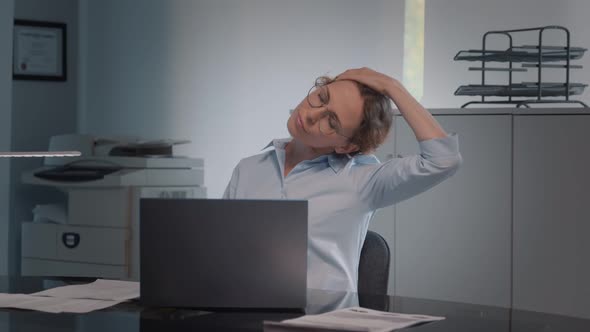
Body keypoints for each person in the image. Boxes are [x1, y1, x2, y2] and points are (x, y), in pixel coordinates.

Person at [223, 67, 462, 292]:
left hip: (321, 322)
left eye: (331, 121)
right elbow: (223, 251)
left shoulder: (363, 181)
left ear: (347, 145)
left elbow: (443, 160)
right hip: (247, 313)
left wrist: (391, 86)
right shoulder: (249, 168)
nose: (310, 115)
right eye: (321, 97)